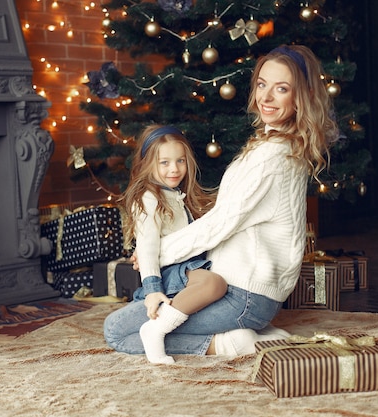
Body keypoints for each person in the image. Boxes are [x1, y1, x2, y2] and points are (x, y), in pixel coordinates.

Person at [104, 44, 337, 358]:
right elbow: (230, 218)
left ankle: (228, 343)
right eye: (262, 84)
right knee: (146, 307)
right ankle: (254, 333)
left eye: (281, 89)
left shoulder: (271, 156)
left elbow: (222, 222)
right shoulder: (275, 146)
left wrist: (160, 253)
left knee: (117, 331)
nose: (266, 98)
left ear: (302, 97)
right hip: (249, 292)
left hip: (243, 296)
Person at [119, 124, 227, 364]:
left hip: (190, 268)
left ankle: (232, 339)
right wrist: (152, 289)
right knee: (213, 283)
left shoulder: (178, 193)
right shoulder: (148, 198)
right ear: (148, 163)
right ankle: (154, 330)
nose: (174, 169)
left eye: (180, 161)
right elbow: (147, 247)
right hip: (171, 274)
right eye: (164, 163)